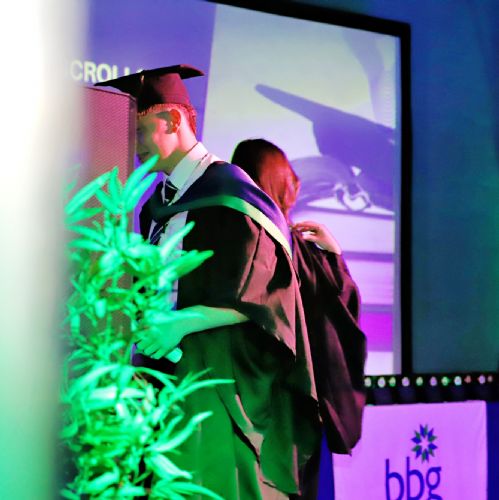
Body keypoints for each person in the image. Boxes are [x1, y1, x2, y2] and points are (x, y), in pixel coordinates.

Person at [96, 66, 321, 499]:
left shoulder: (233, 195)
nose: (134, 145)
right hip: (161, 378)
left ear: (172, 121)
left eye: (140, 130)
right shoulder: (157, 205)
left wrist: (182, 322)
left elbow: (265, 294)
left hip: (218, 383)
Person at [231, 138, 367, 498]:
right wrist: (332, 257)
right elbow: (341, 317)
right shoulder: (295, 250)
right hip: (291, 407)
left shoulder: (245, 241)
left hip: (245, 402)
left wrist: (331, 254)